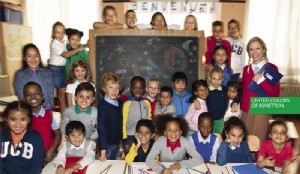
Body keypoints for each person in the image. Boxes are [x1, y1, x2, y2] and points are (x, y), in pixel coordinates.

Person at [241, 37, 280, 141]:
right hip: (247, 110)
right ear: (248, 52)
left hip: (263, 108)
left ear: (263, 49)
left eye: (257, 48)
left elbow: (275, 94)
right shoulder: (246, 69)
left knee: (259, 140)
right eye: (251, 49)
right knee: (245, 140)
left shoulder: (272, 68)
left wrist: (261, 80)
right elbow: (246, 91)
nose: (254, 52)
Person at [49, 21, 85, 112]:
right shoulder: (54, 43)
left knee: (62, 94)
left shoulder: (64, 42)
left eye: (62, 32)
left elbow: (75, 44)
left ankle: (64, 113)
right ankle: (58, 114)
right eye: (57, 32)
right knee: (57, 94)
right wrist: (78, 49)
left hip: (62, 68)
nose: (60, 34)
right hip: (55, 69)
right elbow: (66, 55)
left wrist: (86, 45)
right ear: (53, 33)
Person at [0, 101, 44, 174]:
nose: (18, 124)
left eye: (23, 119)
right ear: (7, 119)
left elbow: (37, 164)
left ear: (29, 119)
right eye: (13, 119)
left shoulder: (35, 138)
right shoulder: (2, 136)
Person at [23, 82, 62, 163]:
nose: (32, 96)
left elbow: (58, 135)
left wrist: (52, 150)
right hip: (30, 158)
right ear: (24, 99)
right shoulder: (23, 118)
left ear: (42, 96)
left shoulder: (50, 115)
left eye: (36, 93)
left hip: (49, 155)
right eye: (28, 94)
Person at [14, 43, 54, 110]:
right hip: (30, 112)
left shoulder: (48, 72)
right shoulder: (20, 75)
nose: (33, 59)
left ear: (39, 57)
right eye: (29, 56)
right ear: (24, 58)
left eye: (36, 56)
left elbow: (51, 93)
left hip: (47, 110)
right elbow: (22, 97)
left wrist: (48, 109)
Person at [98, 72, 123, 161]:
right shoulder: (103, 106)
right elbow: (101, 128)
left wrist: (121, 144)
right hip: (107, 145)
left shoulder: (119, 102)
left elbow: (120, 123)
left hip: (118, 143)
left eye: (117, 88)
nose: (114, 91)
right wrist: (103, 151)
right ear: (104, 88)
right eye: (111, 87)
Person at [123, 76, 151, 154]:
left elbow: (149, 119)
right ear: (131, 89)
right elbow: (124, 122)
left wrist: (150, 132)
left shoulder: (146, 103)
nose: (138, 91)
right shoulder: (127, 104)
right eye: (135, 88)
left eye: (141, 88)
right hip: (130, 135)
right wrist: (124, 138)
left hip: (144, 135)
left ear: (145, 89)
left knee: (142, 156)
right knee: (131, 155)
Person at [206, 67, 227, 133]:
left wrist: (235, 102)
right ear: (210, 78)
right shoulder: (206, 90)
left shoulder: (224, 89)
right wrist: (195, 100)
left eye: (219, 79)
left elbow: (234, 93)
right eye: (214, 79)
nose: (216, 82)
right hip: (209, 119)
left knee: (218, 136)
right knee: (209, 135)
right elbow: (195, 95)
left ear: (223, 79)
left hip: (220, 119)